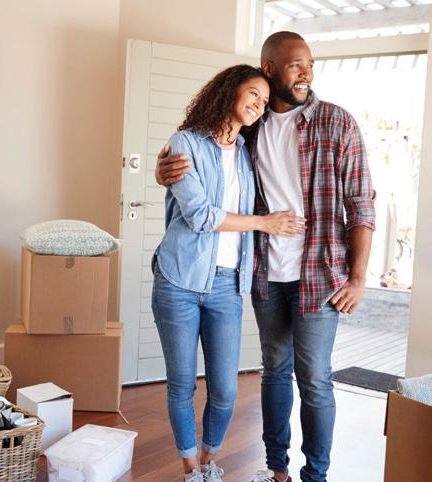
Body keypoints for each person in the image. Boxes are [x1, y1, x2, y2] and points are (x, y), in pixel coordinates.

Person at [155, 32, 376, 482]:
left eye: (310, 65)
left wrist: (358, 277)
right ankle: (278, 472)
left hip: (319, 274)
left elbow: (362, 203)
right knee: (274, 371)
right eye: (296, 65)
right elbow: (206, 164)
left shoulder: (336, 122)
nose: (307, 74)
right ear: (271, 68)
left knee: (315, 380)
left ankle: (315, 476)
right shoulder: (249, 130)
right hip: (263, 274)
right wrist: (165, 173)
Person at [151, 64, 306, 482]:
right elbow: (201, 216)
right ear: (229, 91)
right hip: (179, 279)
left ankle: (208, 460)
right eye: (253, 94)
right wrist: (265, 223)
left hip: (227, 283)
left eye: (263, 100)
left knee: (225, 389)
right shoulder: (185, 142)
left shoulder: (247, 154)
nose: (258, 104)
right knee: (182, 383)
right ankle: (191, 469)